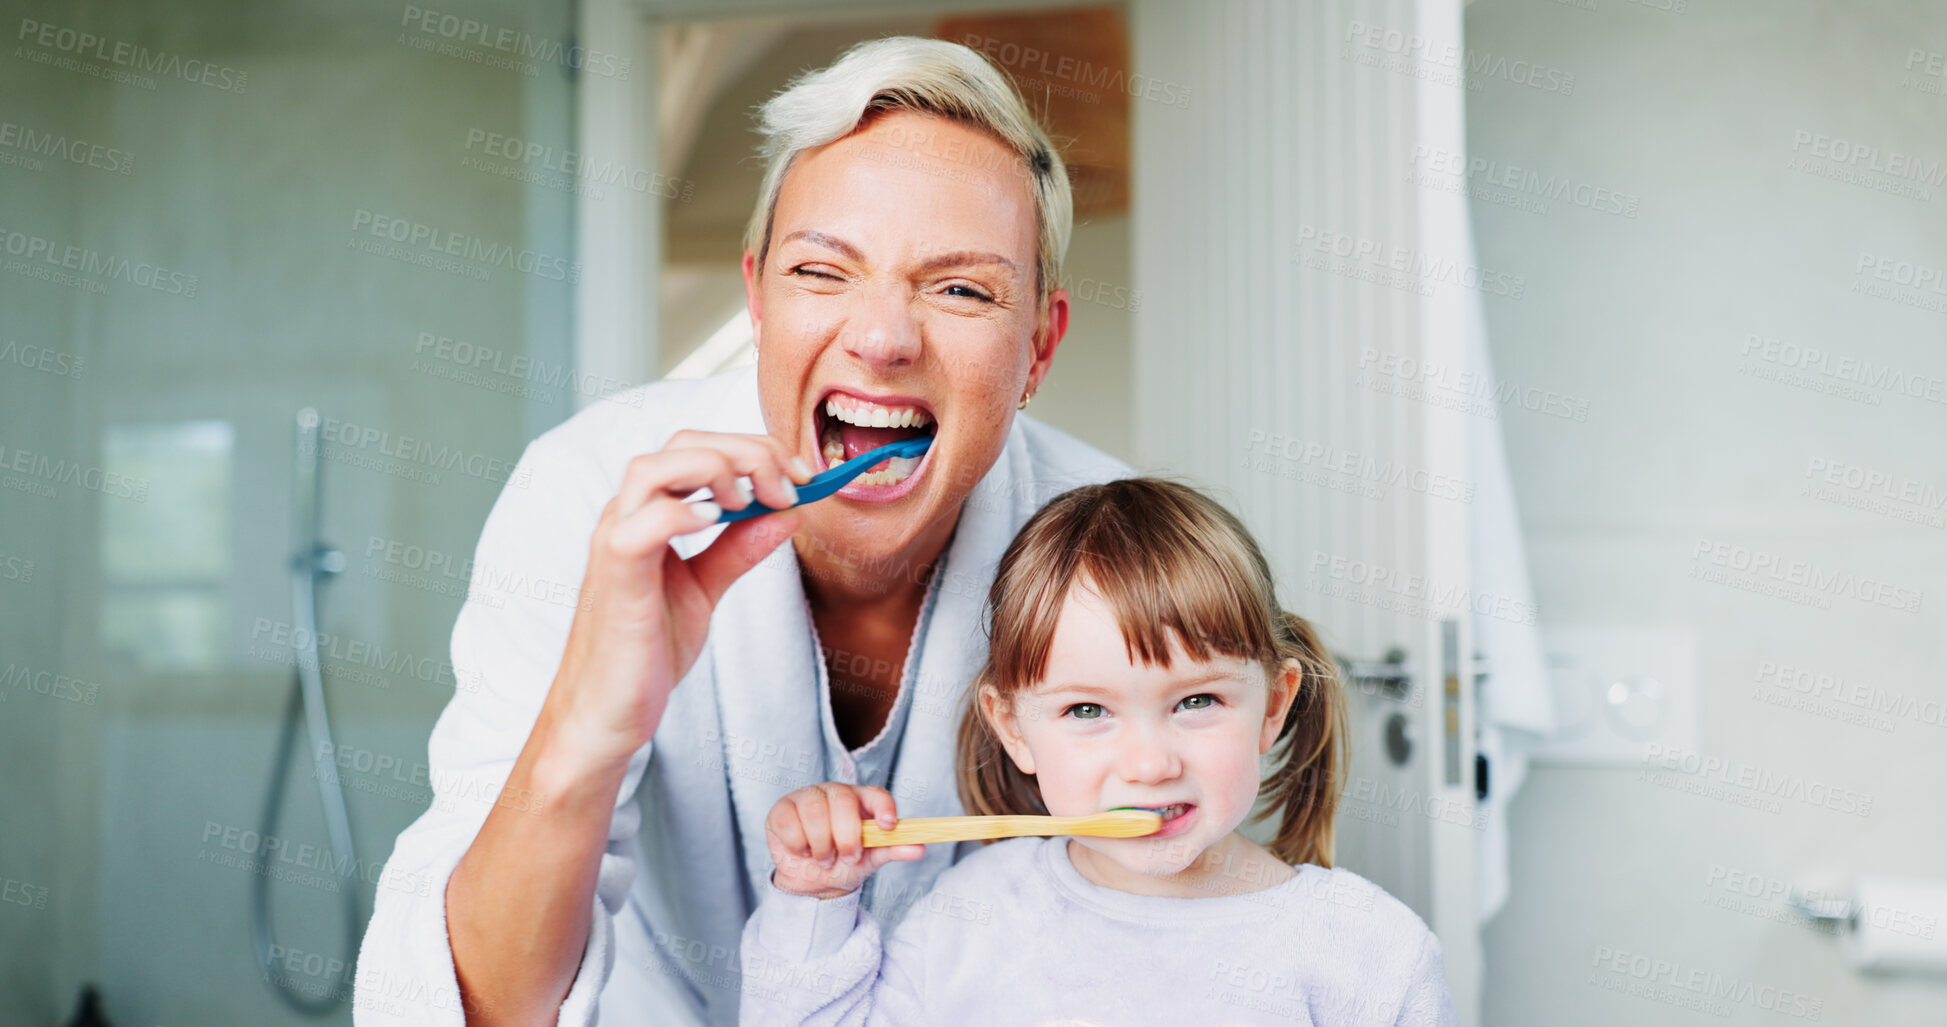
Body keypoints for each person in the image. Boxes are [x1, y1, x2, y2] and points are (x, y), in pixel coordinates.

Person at [354, 37, 1129, 1026]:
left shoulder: (1112, 540)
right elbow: (472, 1010)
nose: (884, 338)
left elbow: (1174, 913)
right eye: (823, 271)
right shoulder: (588, 493)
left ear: (1039, 347)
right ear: (758, 299)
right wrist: (595, 717)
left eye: (962, 288)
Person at [739, 479, 1457, 1025]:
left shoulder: (1367, 950)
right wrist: (816, 904)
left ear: (1272, 704)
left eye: (1196, 701)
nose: (1149, 764)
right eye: (1087, 710)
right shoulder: (971, 914)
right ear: (1013, 727)